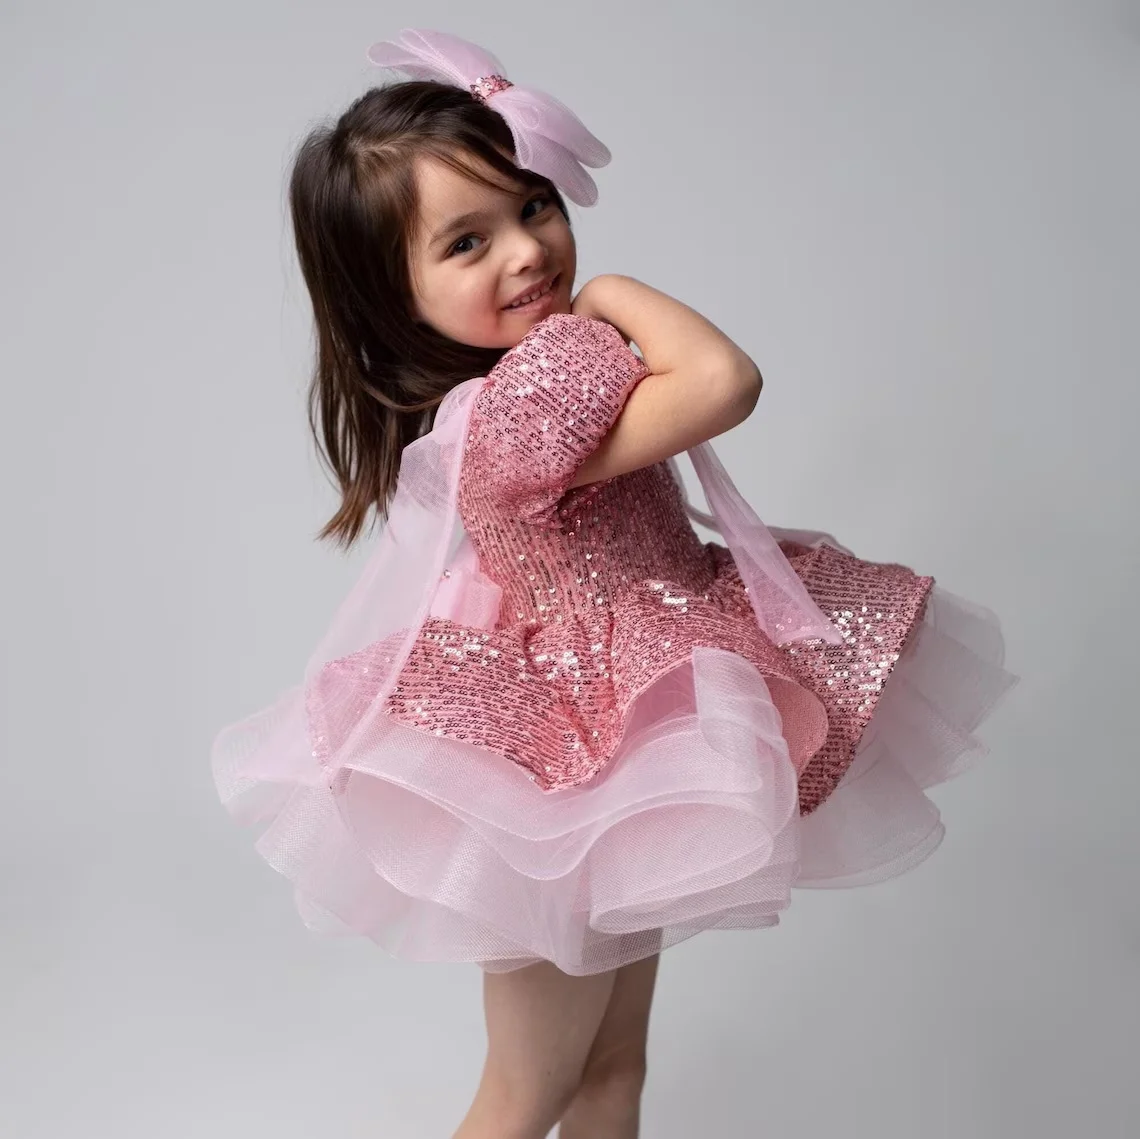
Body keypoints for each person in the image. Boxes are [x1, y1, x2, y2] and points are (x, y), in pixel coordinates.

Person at [211, 28, 1018, 1139]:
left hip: (621, 743)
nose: (526, 251)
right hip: (567, 779)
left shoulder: (533, 377)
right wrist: (618, 289)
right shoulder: (519, 408)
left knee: (611, 1073)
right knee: (525, 1093)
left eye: (534, 205)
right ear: (393, 295)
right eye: (465, 242)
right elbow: (725, 380)